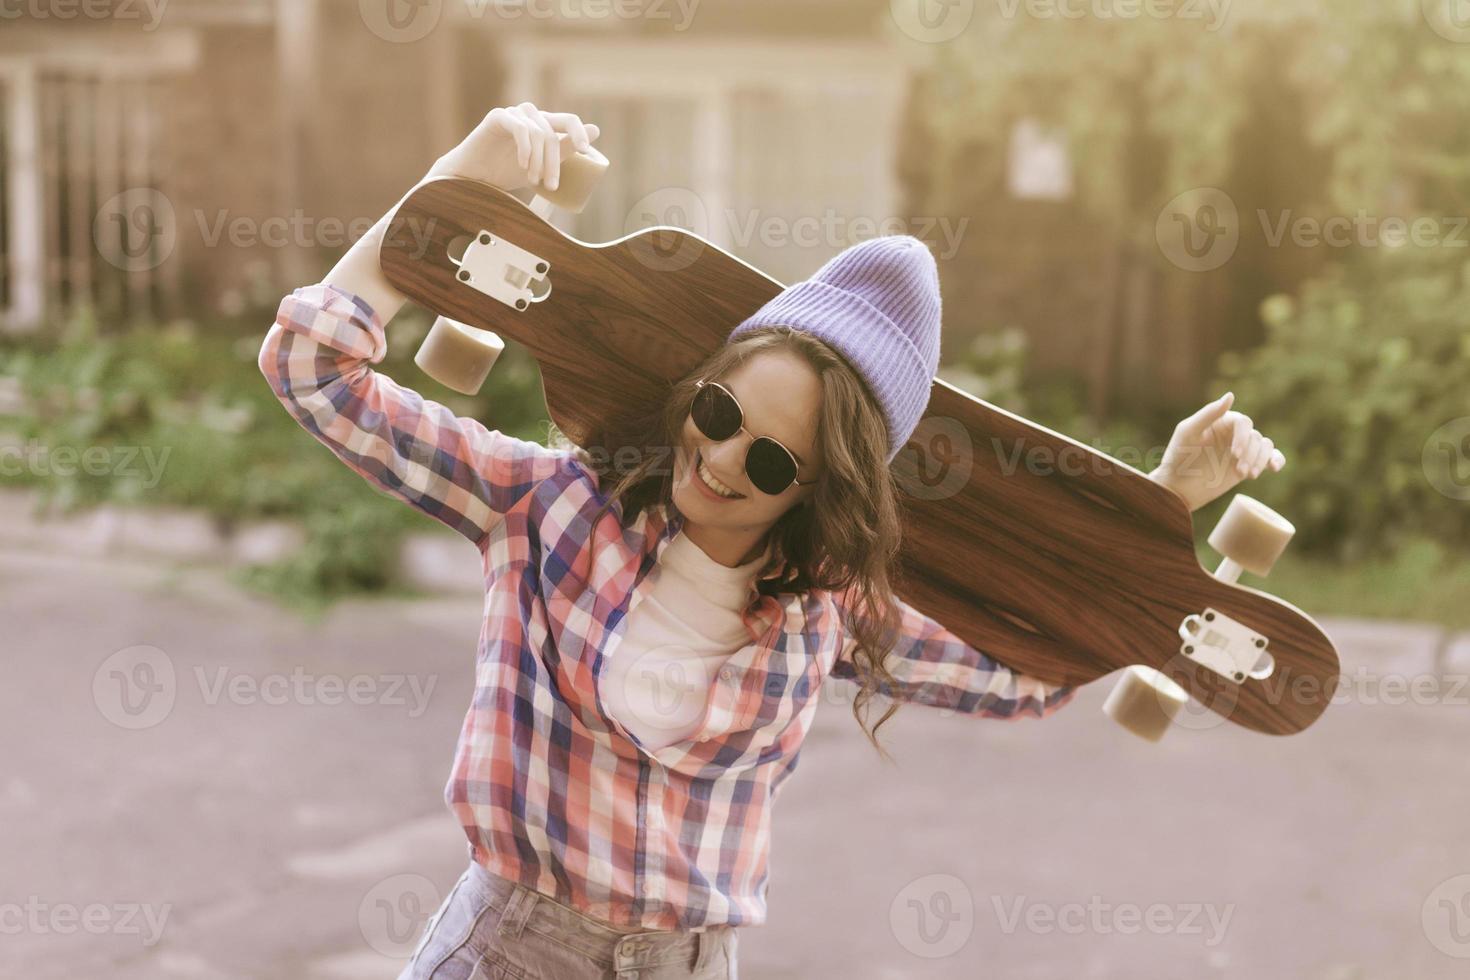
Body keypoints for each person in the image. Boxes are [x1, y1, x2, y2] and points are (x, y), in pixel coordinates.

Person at [258, 102, 1285, 980]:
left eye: (772, 462)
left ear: (819, 490)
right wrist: (447, 191)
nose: (720, 459)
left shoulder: (826, 609)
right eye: (718, 412)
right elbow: (313, 369)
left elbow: (1032, 671)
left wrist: (1157, 509)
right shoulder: (545, 504)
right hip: (512, 948)